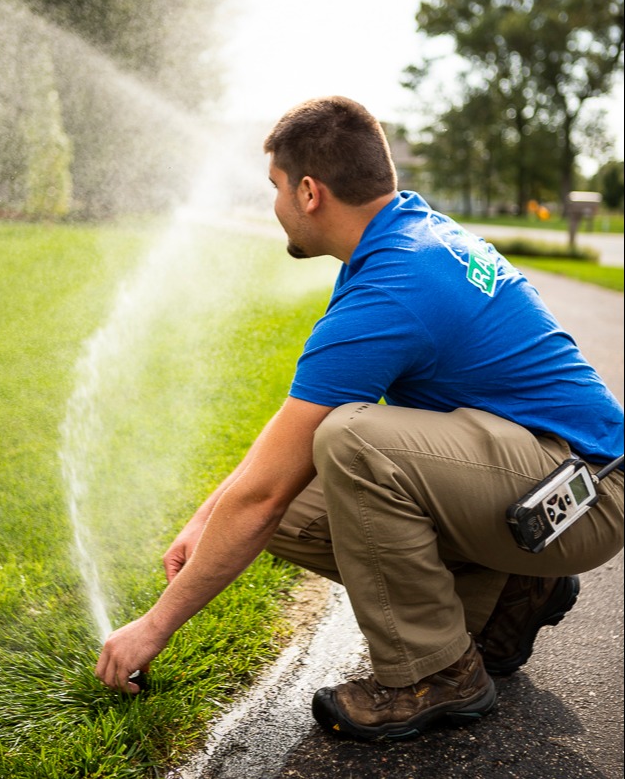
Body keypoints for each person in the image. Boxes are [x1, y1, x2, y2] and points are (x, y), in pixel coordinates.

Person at [96, 96, 624, 741]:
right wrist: (208, 518)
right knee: (291, 496)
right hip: (540, 484)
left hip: (584, 497)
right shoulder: (403, 238)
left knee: (350, 441)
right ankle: (505, 599)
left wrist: (153, 627)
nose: (275, 203)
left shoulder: (395, 282)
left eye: (276, 187)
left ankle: (432, 675)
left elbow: (268, 487)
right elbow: (277, 464)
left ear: (310, 192)